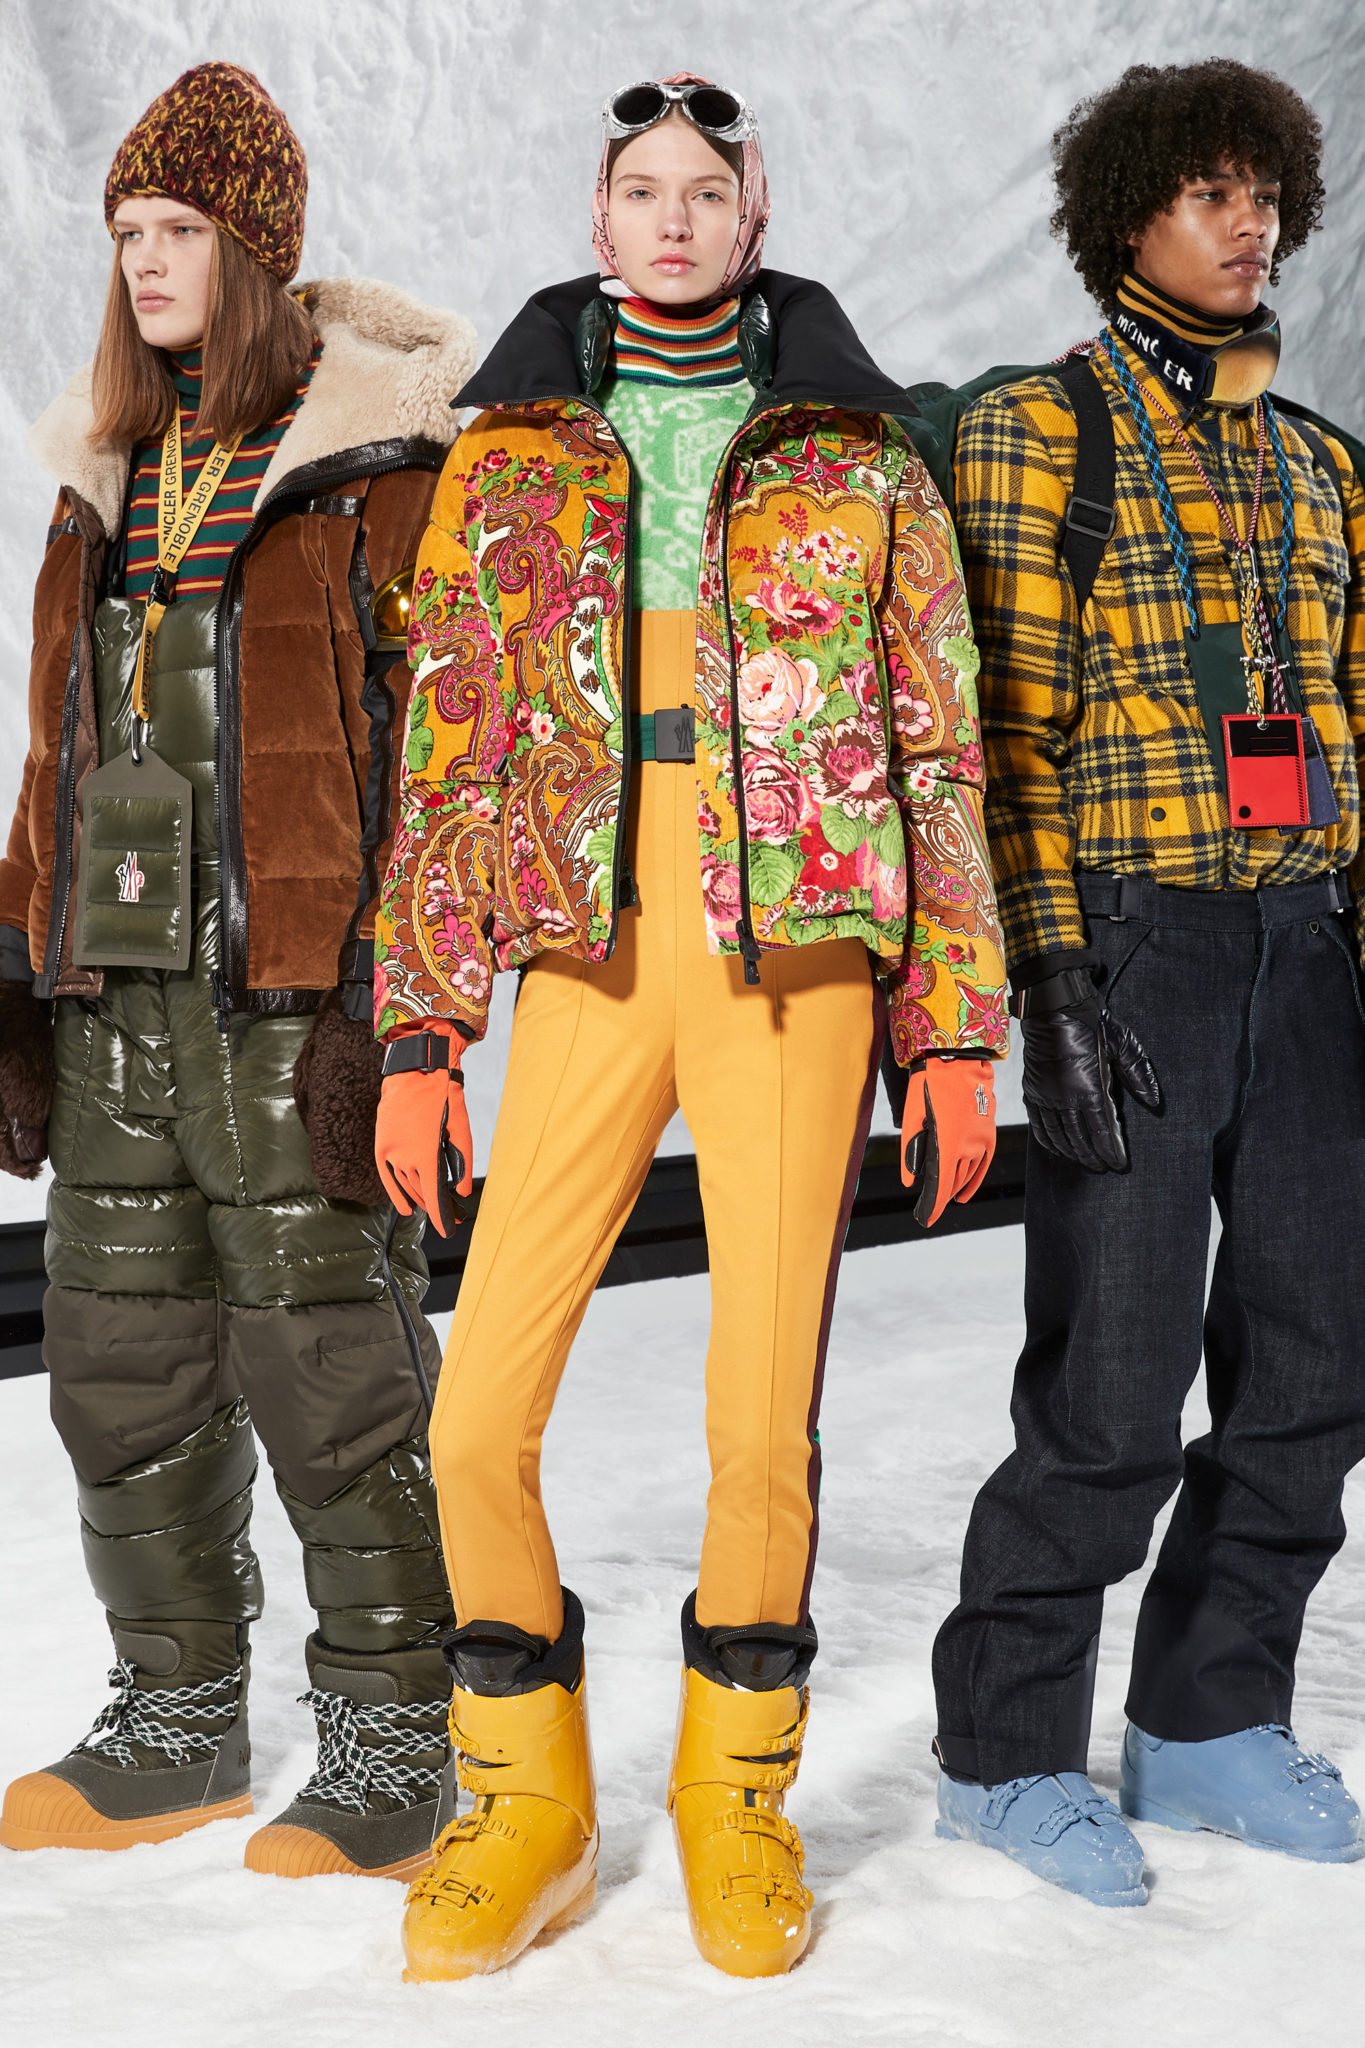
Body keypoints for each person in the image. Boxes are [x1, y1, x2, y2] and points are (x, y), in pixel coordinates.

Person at [373, 73, 1007, 1981]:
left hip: (794, 961)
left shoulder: (859, 455)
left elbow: (935, 746)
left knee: (757, 1416)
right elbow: (450, 751)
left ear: (753, 218)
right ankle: (528, 1801)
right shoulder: (506, 460)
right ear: (597, 219)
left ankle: (737, 1799)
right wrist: (420, 1031)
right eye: (640, 191)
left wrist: (949, 1031)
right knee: (476, 1411)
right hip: (589, 951)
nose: (670, 220)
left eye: (701, 194)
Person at [0, 62, 477, 1882]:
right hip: (111, 999)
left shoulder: (375, 473)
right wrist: (15, 960)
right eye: (127, 231)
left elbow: (440, 766)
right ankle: (175, 1716)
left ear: (256, 247)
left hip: (288, 1002)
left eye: (181, 229)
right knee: (119, 1364)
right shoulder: (99, 476)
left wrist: (400, 1012)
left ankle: (393, 1733)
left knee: (334, 1368)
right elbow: (55, 753)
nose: (145, 262)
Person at [932, 58, 1365, 1905]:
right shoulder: (1038, 433)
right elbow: (999, 740)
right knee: (1111, 1381)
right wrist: (1048, 980)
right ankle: (1003, 1750)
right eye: (1206, 192)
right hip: (1135, 941)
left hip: (1305, 943)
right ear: (1126, 214)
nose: (1244, 223)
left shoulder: (1318, 461)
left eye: (1263, 193)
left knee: (1318, 1360)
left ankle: (1205, 1718)